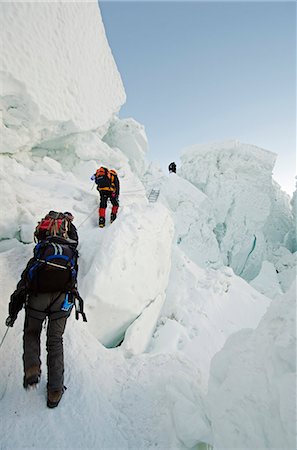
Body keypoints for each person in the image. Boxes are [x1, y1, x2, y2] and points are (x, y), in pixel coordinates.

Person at [5, 211, 84, 408]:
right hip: (63, 298)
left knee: (32, 333)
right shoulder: (70, 246)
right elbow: (75, 237)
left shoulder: (42, 248)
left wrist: (13, 311)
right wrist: (70, 223)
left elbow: (25, 280)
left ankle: (32, 367)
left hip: (38, 297)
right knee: (55, 341)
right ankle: (55, 391)